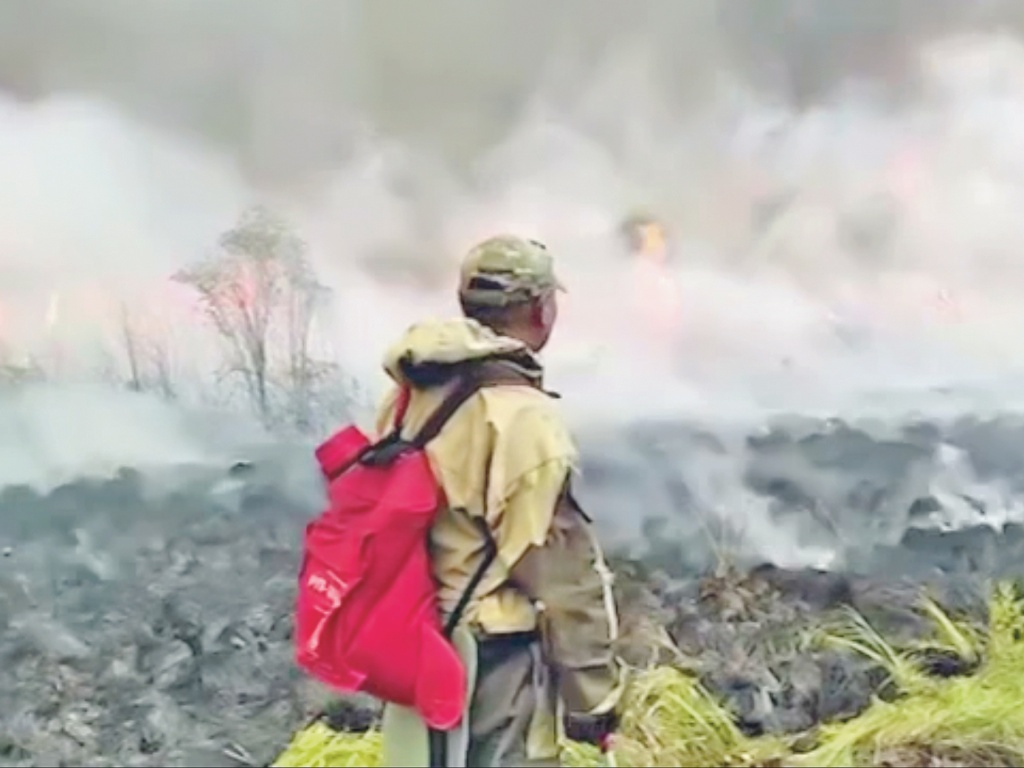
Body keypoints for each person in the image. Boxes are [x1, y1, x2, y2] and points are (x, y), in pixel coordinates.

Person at [377, 235, 625, 767]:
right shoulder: (523, 419)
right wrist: (595, 702)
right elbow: (563, 574)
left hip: (416, 647)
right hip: (494, 664)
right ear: (540, 310)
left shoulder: (409, 394)